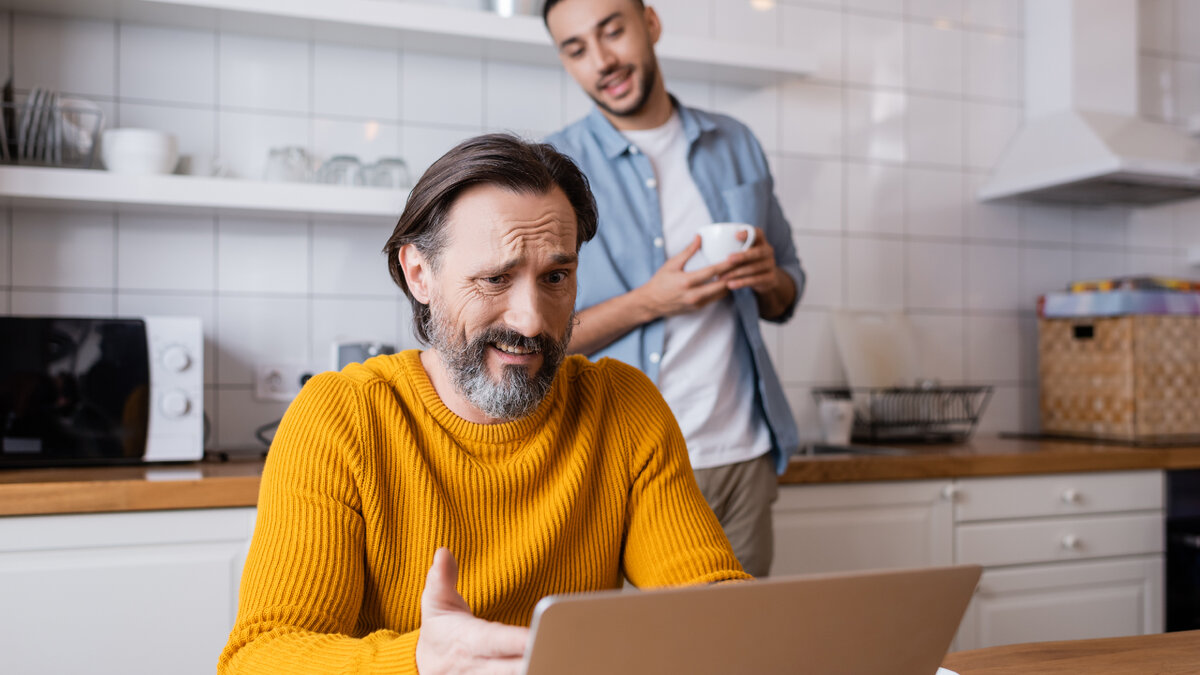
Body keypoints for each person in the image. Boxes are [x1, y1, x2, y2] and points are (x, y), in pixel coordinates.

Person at [218, 134, 749, 675]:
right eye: (495, 278)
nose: (532, 320)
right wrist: (423, 661)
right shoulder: (340, 417)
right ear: (419, 274)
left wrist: (742, 631)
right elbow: (260, 657)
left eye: (556, 278)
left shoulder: (623, 407)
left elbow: (709, 602)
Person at [543, 0, 805, 577]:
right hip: (619, 463)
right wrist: (650, 302)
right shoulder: (553, 170)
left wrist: (769, 278)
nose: (603, 60)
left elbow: (788, 289)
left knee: (739, 654)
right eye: (577, 48)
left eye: (613, 31)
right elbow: (537, 341)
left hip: (744, 455)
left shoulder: (736, 143)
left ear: (651, 24)